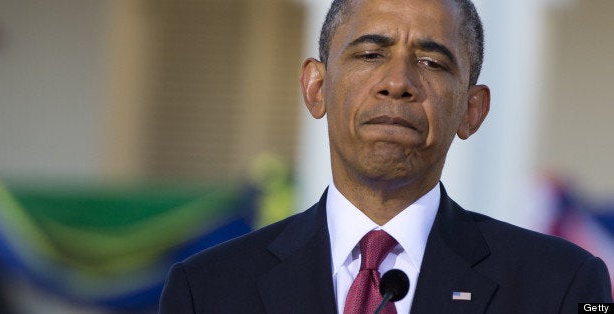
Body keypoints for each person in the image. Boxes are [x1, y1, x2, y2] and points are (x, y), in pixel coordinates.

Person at [158, 0, 612, 313]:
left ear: (472, 111)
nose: (398, 82)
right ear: (316, 88)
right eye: (371, 54)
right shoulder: (207, 289)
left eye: (432, 62)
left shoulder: (566, 285)